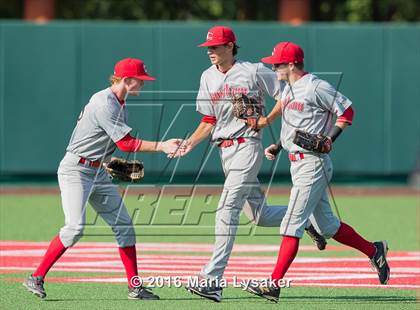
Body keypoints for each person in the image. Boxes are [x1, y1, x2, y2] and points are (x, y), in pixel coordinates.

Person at [175, 26, 327, 302]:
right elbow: (208, 121)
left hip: (247, 146)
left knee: (226, 210)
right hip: (224, 151)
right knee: (259, 215)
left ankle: (212, 281)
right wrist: (188, 144)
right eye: (208, 47)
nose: (210, 51)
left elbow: (286, 95)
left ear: (231, 46)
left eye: (216, 46)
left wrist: (266, 120)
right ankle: (303, 219)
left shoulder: (254, 70)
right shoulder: (207, 77)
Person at [243, 42, 390, 303]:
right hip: (297, 161)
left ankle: (273, 285)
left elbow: (347, 111)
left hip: (313, 162)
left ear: (291, 64)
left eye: (276, 63)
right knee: (328, 226)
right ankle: (374, 250)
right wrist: (278, 145)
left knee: (291, 223)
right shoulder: (288, 89)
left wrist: (331, 138)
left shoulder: (315, 86)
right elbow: (294, 123)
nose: (272, 67)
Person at [23, 58, 181, 300]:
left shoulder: (120, 102)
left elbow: (105, 141)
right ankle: (36, 277)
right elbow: (126, 144)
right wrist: (162, 146)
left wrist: (107, 161)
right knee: (75, 228)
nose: (144, 84)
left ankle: (135, 287)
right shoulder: (104, 102)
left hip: (97, 171)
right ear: (127, 80)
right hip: (76, 170)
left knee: (124, 227)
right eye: (141, 80)